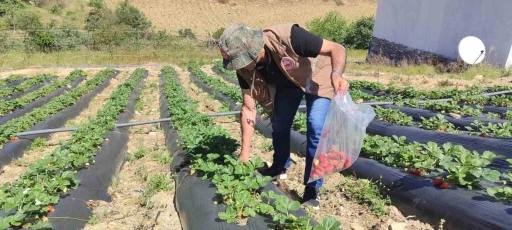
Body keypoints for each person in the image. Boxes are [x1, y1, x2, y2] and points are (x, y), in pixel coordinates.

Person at [217, 23, 349, 209]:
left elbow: (337, 47)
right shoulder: (244, 69)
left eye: (241, 61)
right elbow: (248, 108)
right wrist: (244, 154)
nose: (240, 67)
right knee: (279, 124)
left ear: (254, 51)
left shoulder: (290, 36)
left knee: (316, 127)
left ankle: (312, 187)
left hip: (319, 74)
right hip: (290, 81)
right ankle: (279, 166)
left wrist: (337, 74)